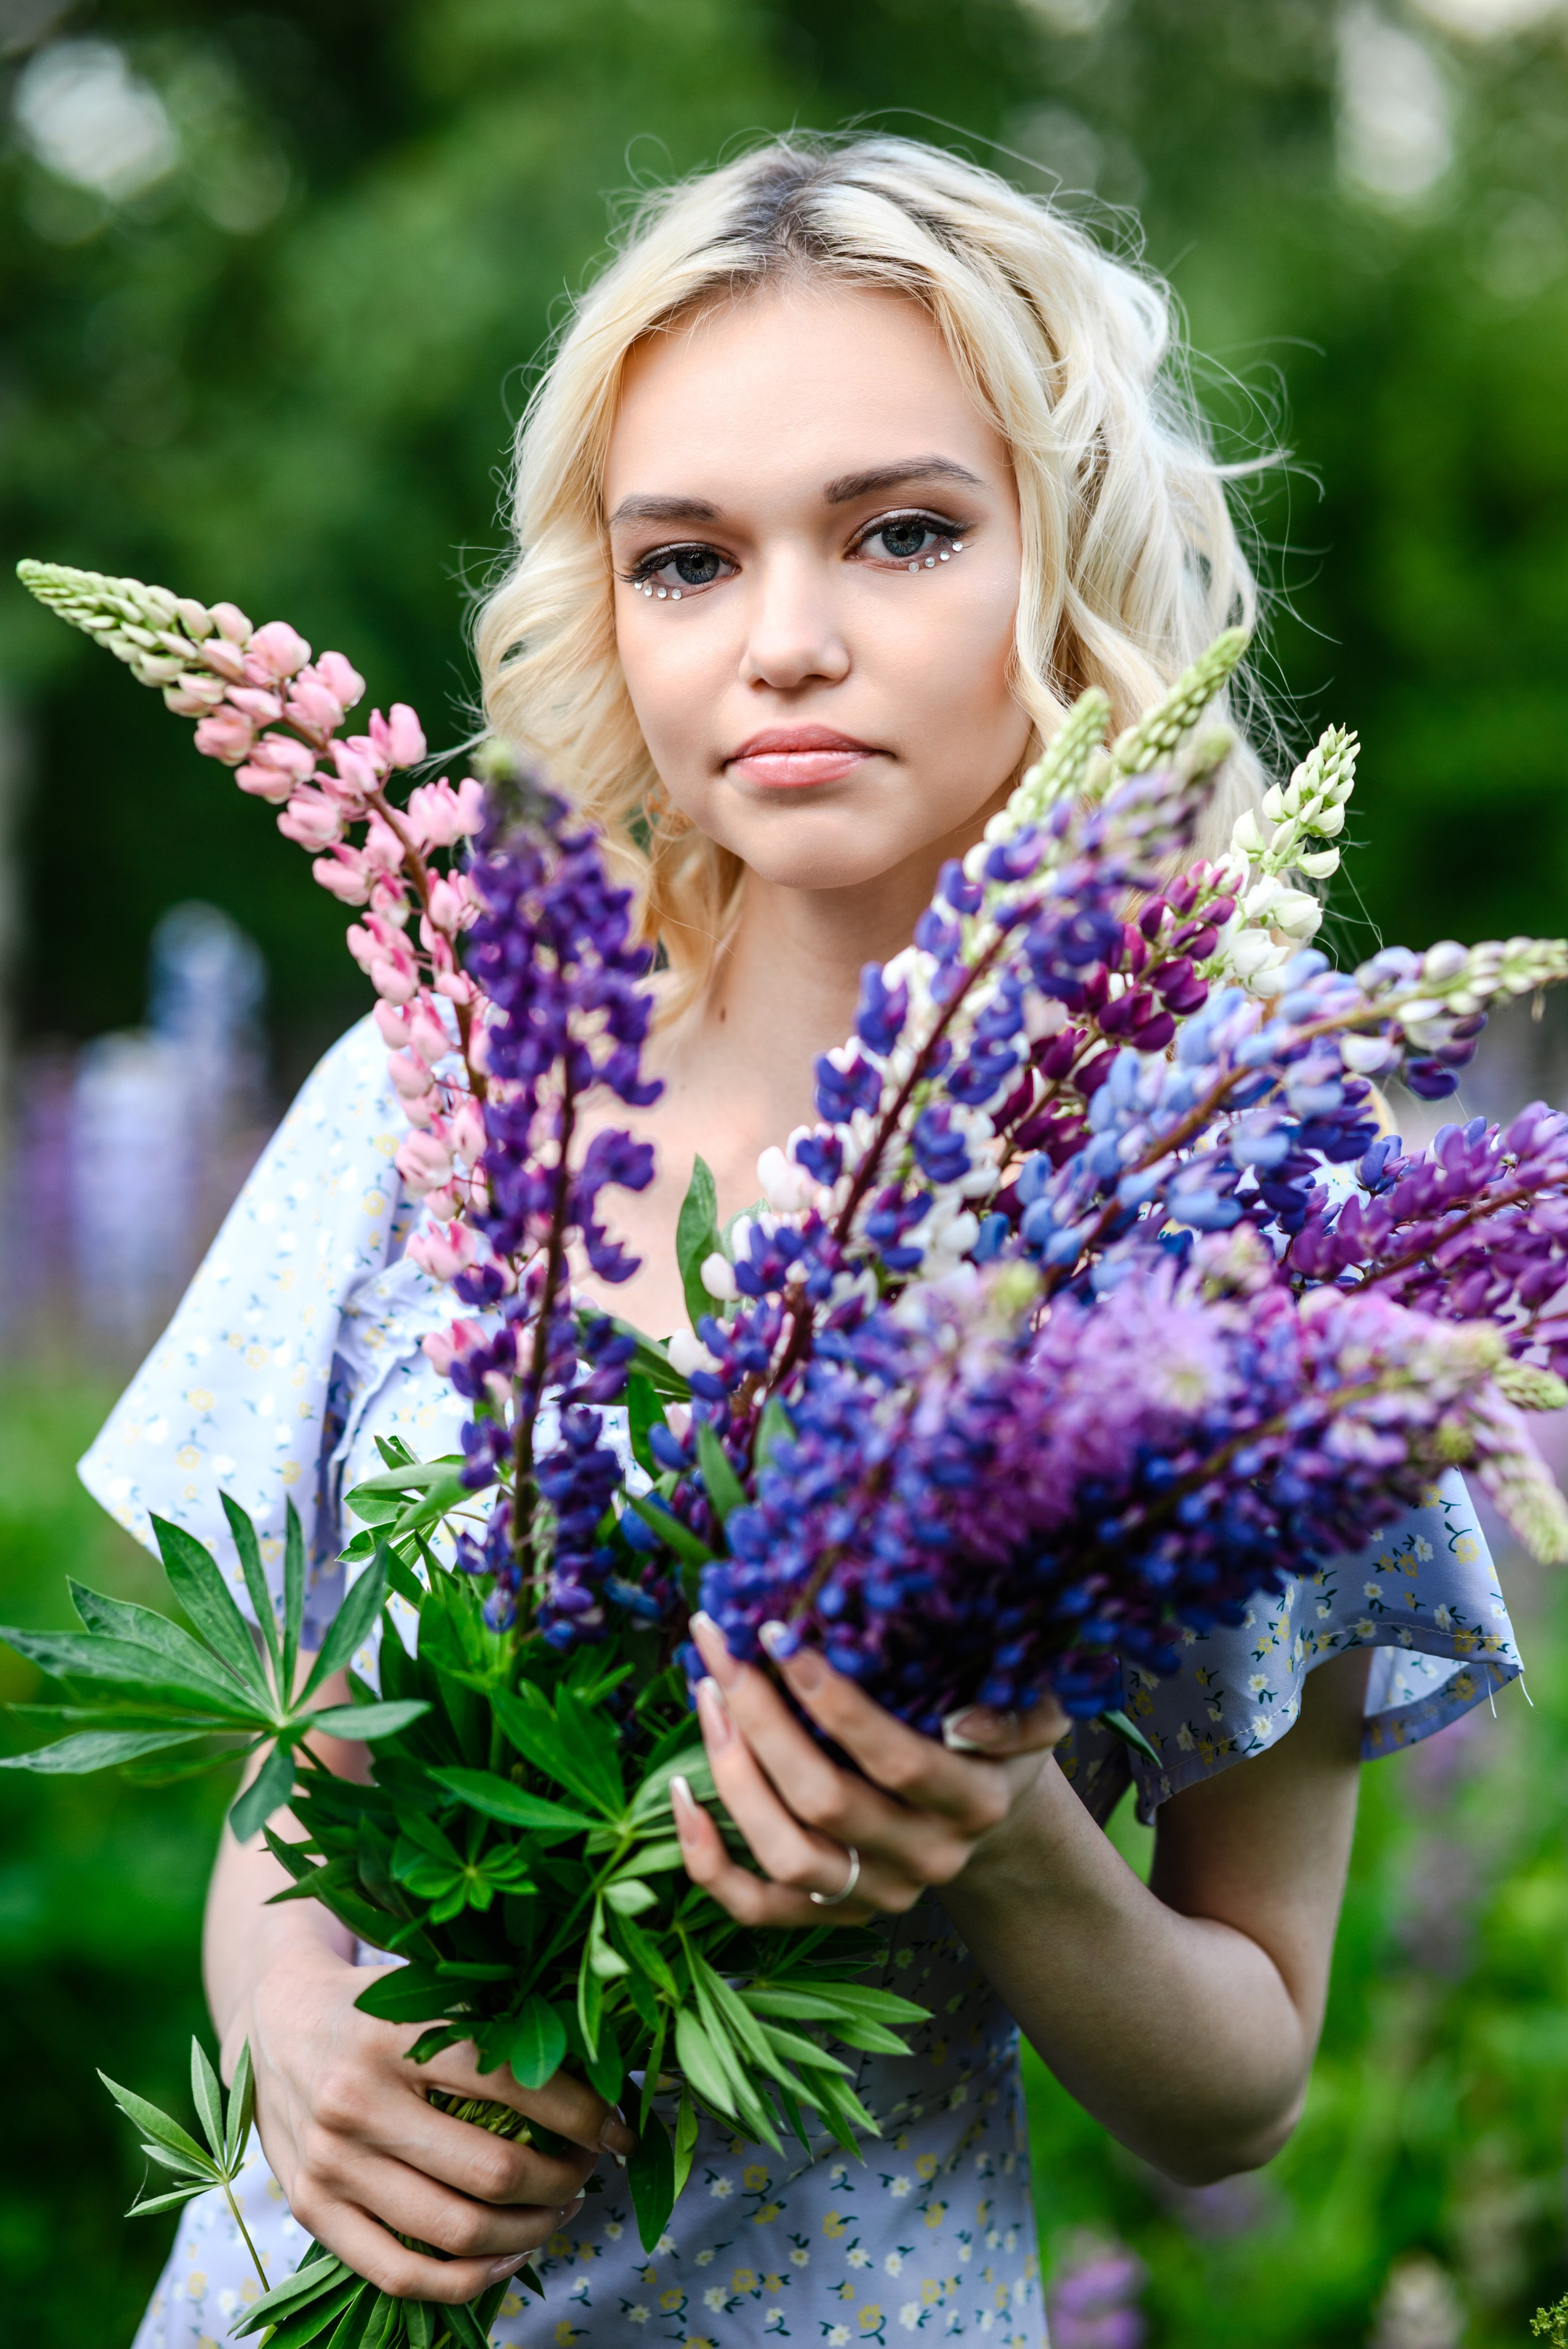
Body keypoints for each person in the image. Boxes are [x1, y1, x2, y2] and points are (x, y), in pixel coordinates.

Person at [84, 136, 1521, 2349]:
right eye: (684, 561)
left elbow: (1240, 2078)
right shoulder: (455, 1072)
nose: (782, 642)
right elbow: (304, 1781)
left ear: (1074, 562)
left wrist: (1014, 1836)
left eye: (904, 533)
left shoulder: (1257, 1215)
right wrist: (292, 2019)